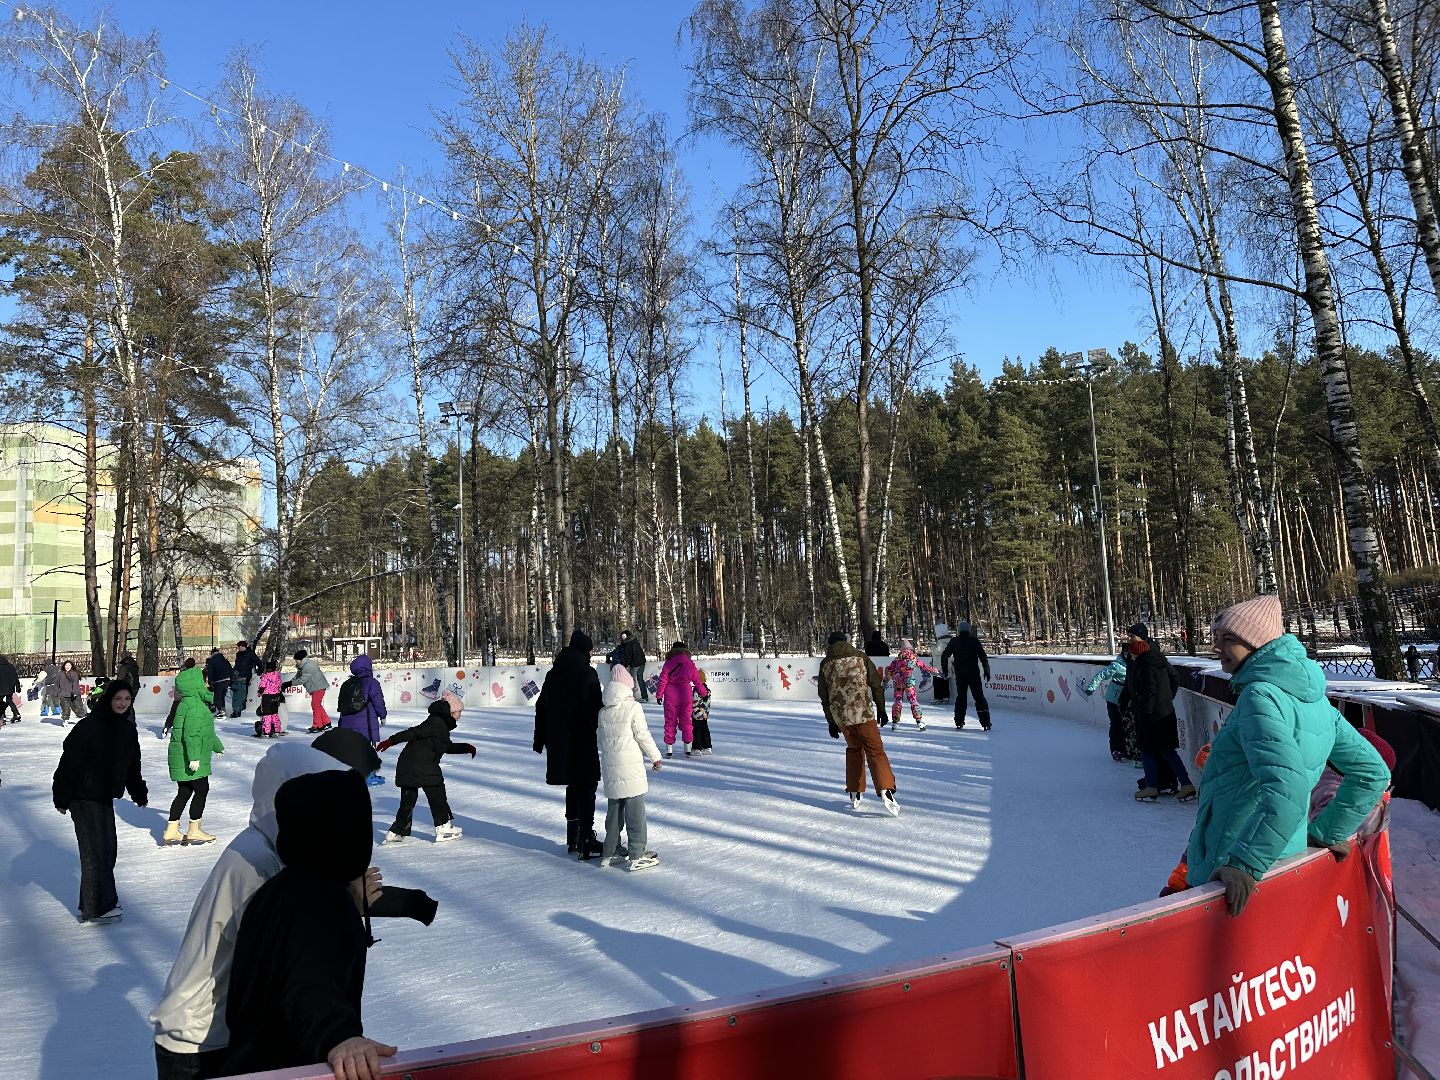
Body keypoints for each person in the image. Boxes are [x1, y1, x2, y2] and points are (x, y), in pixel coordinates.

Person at [151, 740, 437, 1080]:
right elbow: (297, 951)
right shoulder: (256, 862)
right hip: (201, 1037)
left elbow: (317, 906)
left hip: (231, 1029)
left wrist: (409, 903)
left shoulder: (280, 853)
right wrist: (336, 1033)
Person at [1188, 595, 1390, 916]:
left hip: (1230, 870)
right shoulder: (1318, 702)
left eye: (1229, 639)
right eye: (1216, 638)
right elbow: (1372, 773)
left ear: (1257, 643)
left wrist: (1244, 863)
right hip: (1283, 859)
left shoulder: (1260, 696)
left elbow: (1288, 788)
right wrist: (1328, 831)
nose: (1217, 647)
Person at [221, 769, 398, 1080]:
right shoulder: (320, 901)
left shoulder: (280, 889)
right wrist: (338, 1036)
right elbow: (309, 980)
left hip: (247, 1063)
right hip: (288, 1068)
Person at [51, 679, 148, 923]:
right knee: (95, 852)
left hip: (103, 796)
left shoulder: (127, 728)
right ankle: (98, 907)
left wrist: (138, 793)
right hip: (81, 796)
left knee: (108, 850)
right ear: (108, 699)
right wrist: (61, 796)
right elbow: (68, 762)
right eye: (118, 699)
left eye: (127, 699)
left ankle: (94, 902)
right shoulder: (89, 726)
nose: (122, 703)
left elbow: (132, 765)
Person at [533, 630, 604, 858]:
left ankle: (572, 836)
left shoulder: (553, 673)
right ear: (585, 650)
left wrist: (540, 739)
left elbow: (541, 707)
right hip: (581, 738)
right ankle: (585, 836)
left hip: (558, 741)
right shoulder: (587, 673)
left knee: (573, 786)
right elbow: (594, 706)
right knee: (587, 785)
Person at [818, 631, 899, 815]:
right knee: (875, 750)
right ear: (845, 642)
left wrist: (831, 721)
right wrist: (881, 709)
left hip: (842, 718)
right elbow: (876, 684)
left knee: (854, 750)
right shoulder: (860, 657)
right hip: (863, 713)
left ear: (829, 644)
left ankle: (855, 790)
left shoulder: (825, 664)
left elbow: (824, 696)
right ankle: (885, 788)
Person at [378, 692, 474, 843]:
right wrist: (391, 741)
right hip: (423, 767)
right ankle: (443, 827)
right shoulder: (437, 724)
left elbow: (442, 745)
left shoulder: (435, 722)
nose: (460, 715)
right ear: (451, 711)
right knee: (437, 795)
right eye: (459, 712)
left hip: (408, 766)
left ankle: (396, 831)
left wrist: (466, 747)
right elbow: (415, 733)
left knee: (408, 801)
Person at [597, 665, 662, 871]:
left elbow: (600, 741)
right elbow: (642, 734)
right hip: (630, 770)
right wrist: (656, 757)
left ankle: (610, 851)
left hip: (611, 770)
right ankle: (637, 854)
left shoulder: (603, 711)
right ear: (627, 687)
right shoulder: (633, 707)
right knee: (635, 813)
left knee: (614, 812)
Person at [1124, 622, 1194, 802]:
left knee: (1150, 751)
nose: (1128, 646)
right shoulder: (1153, 659)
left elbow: (1150, 691)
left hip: (1153, 716)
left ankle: (1153, 786)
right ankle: (1182, 784)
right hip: (1162, 712)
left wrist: (1145, 712)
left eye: (1132, 639)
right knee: (1165, 751)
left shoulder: (1146, 664)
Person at [164, 665, 225, 846]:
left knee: (184, 792)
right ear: (197, 685)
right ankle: (194, 829)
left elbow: (205, 733)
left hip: (181, 758)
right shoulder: (196, 706)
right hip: (190, 759)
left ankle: (172, 830)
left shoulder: (187, 703)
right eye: (205, 682)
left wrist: (217, 747)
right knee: (201, 789)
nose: (208, 686)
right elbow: (191, 735)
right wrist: (194, 758)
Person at [656, 641, 705, 757]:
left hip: (670, 695)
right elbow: (697, 681)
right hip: (686, 694)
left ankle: (669, 749)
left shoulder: (668, 663)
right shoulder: (689, 663)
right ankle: (687, 748)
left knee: (670, 722)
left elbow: (663, 681)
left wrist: (659, 695)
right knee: (687, 721)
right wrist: (703, 693)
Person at [1082, 647, 1131, 760]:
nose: (1128, 654)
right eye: (1126, 652)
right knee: (1116, 724)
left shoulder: (1135, 664)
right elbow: (1101, 675)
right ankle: (1116, 749)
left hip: (1127, 700)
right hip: (1113, 700)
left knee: (1128, 725)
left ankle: (1127, 749)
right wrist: (1091, 687)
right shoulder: (1117, 666)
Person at [941, 622, 992, 731]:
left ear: (959, 630)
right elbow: (983, 657)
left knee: (961, 698)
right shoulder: (974, 641)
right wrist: (986, 671)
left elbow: (944, 656)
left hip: (960, 674)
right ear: (969, 630)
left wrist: (945, 670)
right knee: (979, 697)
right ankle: (986, 723)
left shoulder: (954, 641)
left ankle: (959, 722)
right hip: (974, 673)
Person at [336, 653, 387, 759]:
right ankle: (368, 774)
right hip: (365, 726)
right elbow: (378, 702)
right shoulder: (371, 683)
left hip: (346, 725)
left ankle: (350, 773)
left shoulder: (347, 684)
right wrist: (382, 716)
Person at [884, 638, 937, 731]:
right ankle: (919, 721)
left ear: (901, 649)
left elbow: (889, 670)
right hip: (909, 682)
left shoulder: (896, 660)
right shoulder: (913, 659)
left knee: (898, 701)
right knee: (913, 700)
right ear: (910, 649)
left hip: (898, 682)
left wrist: (885, 680)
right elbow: (924, 667)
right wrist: (934, 670)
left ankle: (894, 722)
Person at [284, 648, 331, 733]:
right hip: (316, 687)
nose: (295, 662)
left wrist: (290, 684)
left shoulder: (308, 666)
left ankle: (317, 725)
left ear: (300, 659)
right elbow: (297, 677)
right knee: (317, 705)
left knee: (315, 705)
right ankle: (326, 722)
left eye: (296, 660)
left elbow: (302, 679)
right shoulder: (303, 666)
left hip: (318, 687)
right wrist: (289, 682)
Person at [255, 661, 285, 738]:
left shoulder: (266, 676)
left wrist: (259, 692)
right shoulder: (278, 676)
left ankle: (266, 732)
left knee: (266, 714)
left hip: (267, 696)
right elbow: (279, 685)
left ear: (267, 668)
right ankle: (277, 730)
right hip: (276, 696)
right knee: (274, 713)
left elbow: (262, 686)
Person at [230, 641, 259, 718]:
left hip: (245, 676)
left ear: (243, 646)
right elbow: (237, 665)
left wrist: (259, 670)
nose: (238, 648)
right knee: (238, 693)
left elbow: (258, 661)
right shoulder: (238, 654)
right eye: (238, 647)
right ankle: (239, 707)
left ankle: (239, 708)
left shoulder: (250, 654)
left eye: (239, 646)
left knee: (240, 694)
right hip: (238, 676)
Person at [203, 648, 233, 721]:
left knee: (217, 697)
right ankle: (223, 710)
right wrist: (230, 680)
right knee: (222, 696)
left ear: (212, 654)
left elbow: (210, 672)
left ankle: (221, 711)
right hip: (227, 680)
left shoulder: (212, 661)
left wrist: (210, 682)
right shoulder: (225, 660)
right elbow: (230, 669)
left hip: (218, 681)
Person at [690, 667, 714, 755]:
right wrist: (705, 712)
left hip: (697, 714)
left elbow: (694, 702)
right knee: (705, 729)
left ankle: (697, 748)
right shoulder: (707, 690)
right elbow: (708, 702)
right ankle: (707, 746)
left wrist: (695, 711)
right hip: (704, 714)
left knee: (696, 730)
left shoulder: (696, 690)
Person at [621, 630, 649, 703]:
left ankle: (630, 697)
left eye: (623, 636)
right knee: (640, 679)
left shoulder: (628, 644)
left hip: (635, 664)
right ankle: (645, 697)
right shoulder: (635, 641)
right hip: (641, 663)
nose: (622, 638)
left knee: (630, 680)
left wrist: (626, 664)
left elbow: (628, 656)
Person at [57, 659, 87, 724]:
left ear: (71, 666)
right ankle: (65, 720)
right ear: (64, 666)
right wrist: (56, 693)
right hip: (63, 694)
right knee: (65, 708)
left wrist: (75, 693)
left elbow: (75, 684)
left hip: (73, 694)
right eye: (66, 665)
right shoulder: (60, 674)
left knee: (77, 709)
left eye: (69, 665)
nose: (67, 667)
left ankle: (84, 719)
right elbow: (57, 683)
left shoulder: (74, 673)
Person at [930, 623, 953, 704]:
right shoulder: (950, 640)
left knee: (937, 682)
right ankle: (946, 697)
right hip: (947, 664)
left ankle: (938, 697)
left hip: (939, 665)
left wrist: (932, 647)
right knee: (945, 681)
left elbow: (938, 651)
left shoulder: (941, 641)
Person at [0, 653, 21, 723]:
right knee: (9, 701)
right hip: (10, 688)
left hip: (1, 688)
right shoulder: (11, 666)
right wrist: (18, 687)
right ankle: (16, 713)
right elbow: (15, 677)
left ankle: (2, 716)